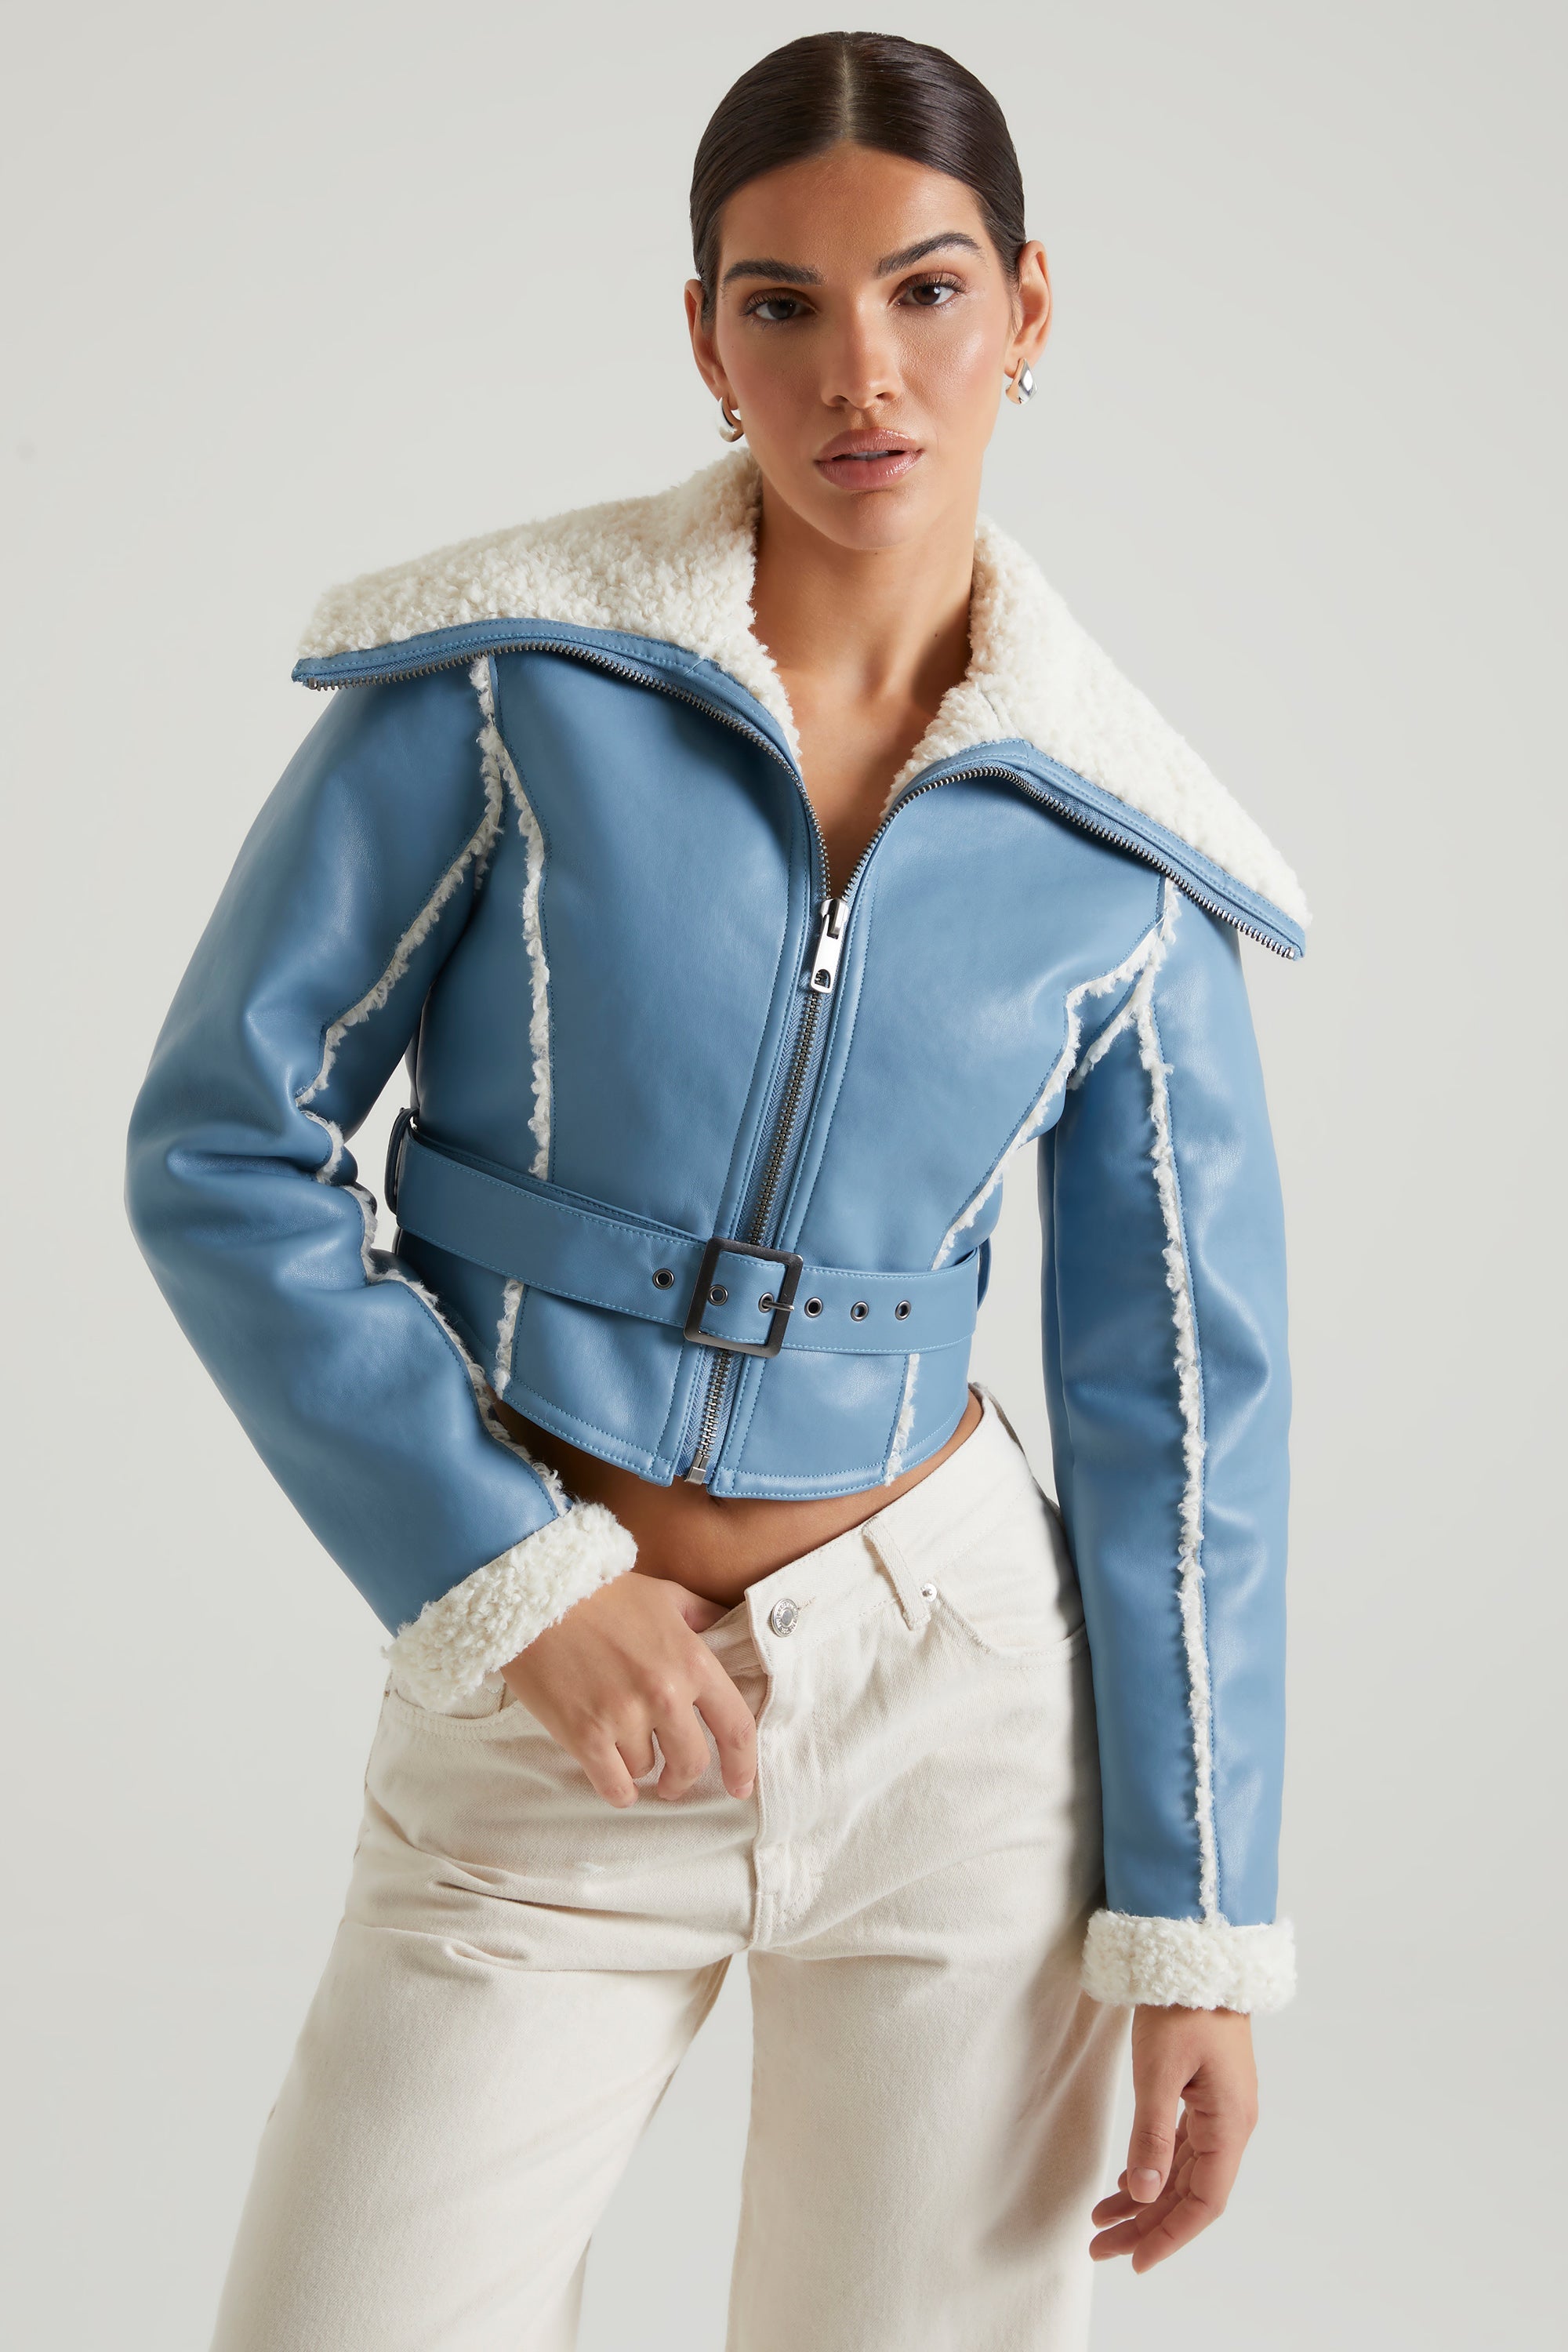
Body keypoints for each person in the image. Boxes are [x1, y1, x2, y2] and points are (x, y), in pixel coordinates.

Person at [125, 30, 1307, 2352]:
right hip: (554, 1686)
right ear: (705, 337)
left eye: (927, 291)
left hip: (963, 1720)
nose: (861, 370)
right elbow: (222, 1145)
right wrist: (511, 1576)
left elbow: (1184, 1412)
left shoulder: (1127, 856)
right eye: (784, 303)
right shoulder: (501, 694)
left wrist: (1198, 1929)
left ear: (1029, 310)